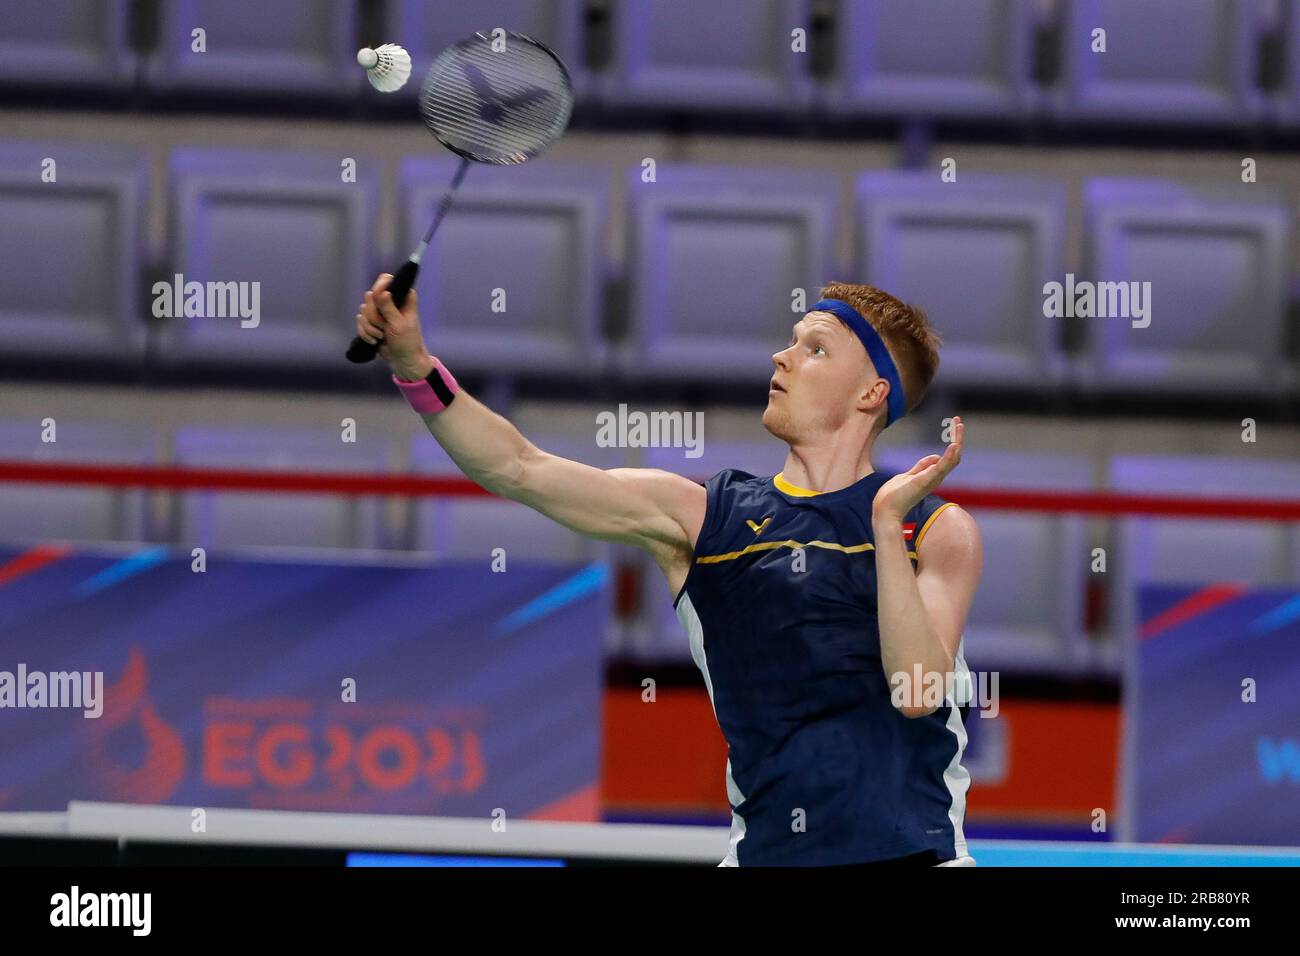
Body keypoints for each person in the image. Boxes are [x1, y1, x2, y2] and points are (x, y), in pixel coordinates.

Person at [355, 275, 983, 867]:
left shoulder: (932, 530)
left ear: (872, 394)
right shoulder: (705, 517)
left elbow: (918, 692)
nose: (781, 358)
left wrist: (880, 522)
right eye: (790, 342)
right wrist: (416, 368)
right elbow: (519, 468)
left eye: (815, 349)